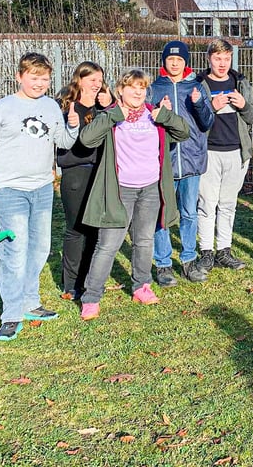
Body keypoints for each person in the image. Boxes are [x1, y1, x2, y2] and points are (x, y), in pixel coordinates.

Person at [0, 52, 80, 341]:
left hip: (43, 188)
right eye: (34, 77)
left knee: (40, 247)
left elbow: (63, 143)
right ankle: (11, 314)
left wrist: (72, 124)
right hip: (9, 190)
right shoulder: (2, 108)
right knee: (13, 253)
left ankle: (31, 302)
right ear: (20, 77)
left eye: (44, 78)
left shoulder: (51, 107)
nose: (40, 83)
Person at [76, 70, 190, 320]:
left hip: (150, 188)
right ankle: (91, 297)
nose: (138, 92)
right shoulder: (111, 116)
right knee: (108, 245)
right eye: (132, 87)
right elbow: (87, 139)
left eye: (142, 87)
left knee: (144, 240)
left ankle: (141, 286)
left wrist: (167, 115)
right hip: (120, 192)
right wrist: (114, 115)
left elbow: (183, 133)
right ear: (120, 91)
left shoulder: (154, 114)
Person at [148, 41, 215, 286]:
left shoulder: (197, 87)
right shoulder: (154, 89)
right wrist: (158, 109)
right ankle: (163, 264)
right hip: (163, 163)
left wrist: (198, 103)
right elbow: (146, 124)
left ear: (186, 62)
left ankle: (188, 260)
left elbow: (207, 122)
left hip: (191, 162)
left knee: (189, 213)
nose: (174, 63)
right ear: (164, 61)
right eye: (170, 59)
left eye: (179, 59)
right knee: (162, 214)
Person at [197, 39, 253, 272]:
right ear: (208, 59)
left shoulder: (240, 82)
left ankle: (224, 251)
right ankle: (206, 252)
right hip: (209, 151)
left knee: (227, 204)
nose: (222, 64)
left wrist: (243, 104)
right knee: (206, 204)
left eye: (226, 59)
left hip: (236, 152)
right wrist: (211, 106)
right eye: (217, 58)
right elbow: (195, 118)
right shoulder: (199, 83)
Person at [56, 61, 111, 301]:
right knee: (76, 229)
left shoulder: (103, 109)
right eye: (92, 80)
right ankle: (71, 283)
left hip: (100, 173)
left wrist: (110, 107)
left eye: (99, 81)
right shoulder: (68, 108)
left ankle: (89, 278)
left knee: (94, 229)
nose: (96, 85)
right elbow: (64, 147)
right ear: (79, 80)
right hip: (76, 173)